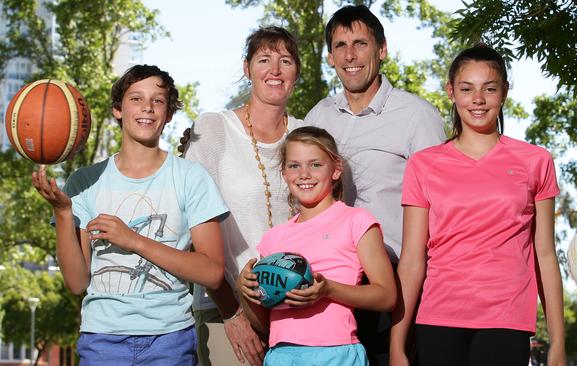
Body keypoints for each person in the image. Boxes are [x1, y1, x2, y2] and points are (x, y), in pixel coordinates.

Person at [32, 65, 227, 365]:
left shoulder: (191, 178)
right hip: (101, 339)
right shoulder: (85, 183)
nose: (147, 107)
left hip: (170, 339)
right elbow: (76, 282)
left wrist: (133, 240)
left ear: (169, 113)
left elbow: (212, 273)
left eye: (158, 100)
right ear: (117, 110)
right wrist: (62, 212)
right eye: (136, 98)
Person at [390, 44, 567, 366]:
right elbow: (412, 259)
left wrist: (558, 342)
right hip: (438, 317)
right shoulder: (423, 164)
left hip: (506, 317)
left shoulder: (536, 161)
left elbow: (544, 254)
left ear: (504, 92)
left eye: (489, 89)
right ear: (451, 92)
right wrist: (397, 343)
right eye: (467, 89)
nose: (478, 99)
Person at [303, 5, 446, 364]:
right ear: (331, 56)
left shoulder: (417, 116)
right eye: (339, 46)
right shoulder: (318, 116)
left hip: (396, 285)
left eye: (360, 43)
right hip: (328, 286)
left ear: (382, 50)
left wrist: (415, 309)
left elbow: (441, 213)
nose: (349, 56)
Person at [182, 26, 301, 366]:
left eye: (286, 61)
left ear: (296, 73)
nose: (275, 70)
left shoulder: (306, 134)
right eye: (264, 59)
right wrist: (232, 313)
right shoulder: (214, 129)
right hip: (228, 310)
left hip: (297, 311)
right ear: (247, 69)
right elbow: (194, 233)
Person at [238, 126, 397, 366]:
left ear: (336, 169)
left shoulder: (357, 221)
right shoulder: (273, 239)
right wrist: (246, 292)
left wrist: (328, 290)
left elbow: (387, 296)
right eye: (294, 165)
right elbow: (264, 322)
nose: (304, 174)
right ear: (283, 173)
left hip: (335, 354)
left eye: (315, 164)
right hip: (280, 356)